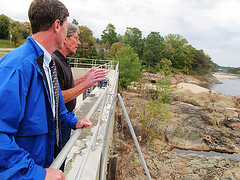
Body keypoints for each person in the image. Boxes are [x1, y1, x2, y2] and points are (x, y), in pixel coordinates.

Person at [0, 0, 92, 179]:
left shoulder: (47, 63)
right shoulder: (18, 66)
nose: (68, 33)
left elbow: (54, 108)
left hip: (40, 164)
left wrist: (73, 122)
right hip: (26, 173)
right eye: (66, 26)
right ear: (57, 25)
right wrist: (35, 173)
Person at [52, 24, 107, 161]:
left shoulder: (62, 60)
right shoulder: (55, 61)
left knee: (62, 159)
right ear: (65, 39)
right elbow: (58, 97)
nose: (79, 42)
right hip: (59, 123)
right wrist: (88, 83)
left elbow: (65, 87)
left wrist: (84, 78)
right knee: (58, 161)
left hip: (65, 119)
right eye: (76, 38)